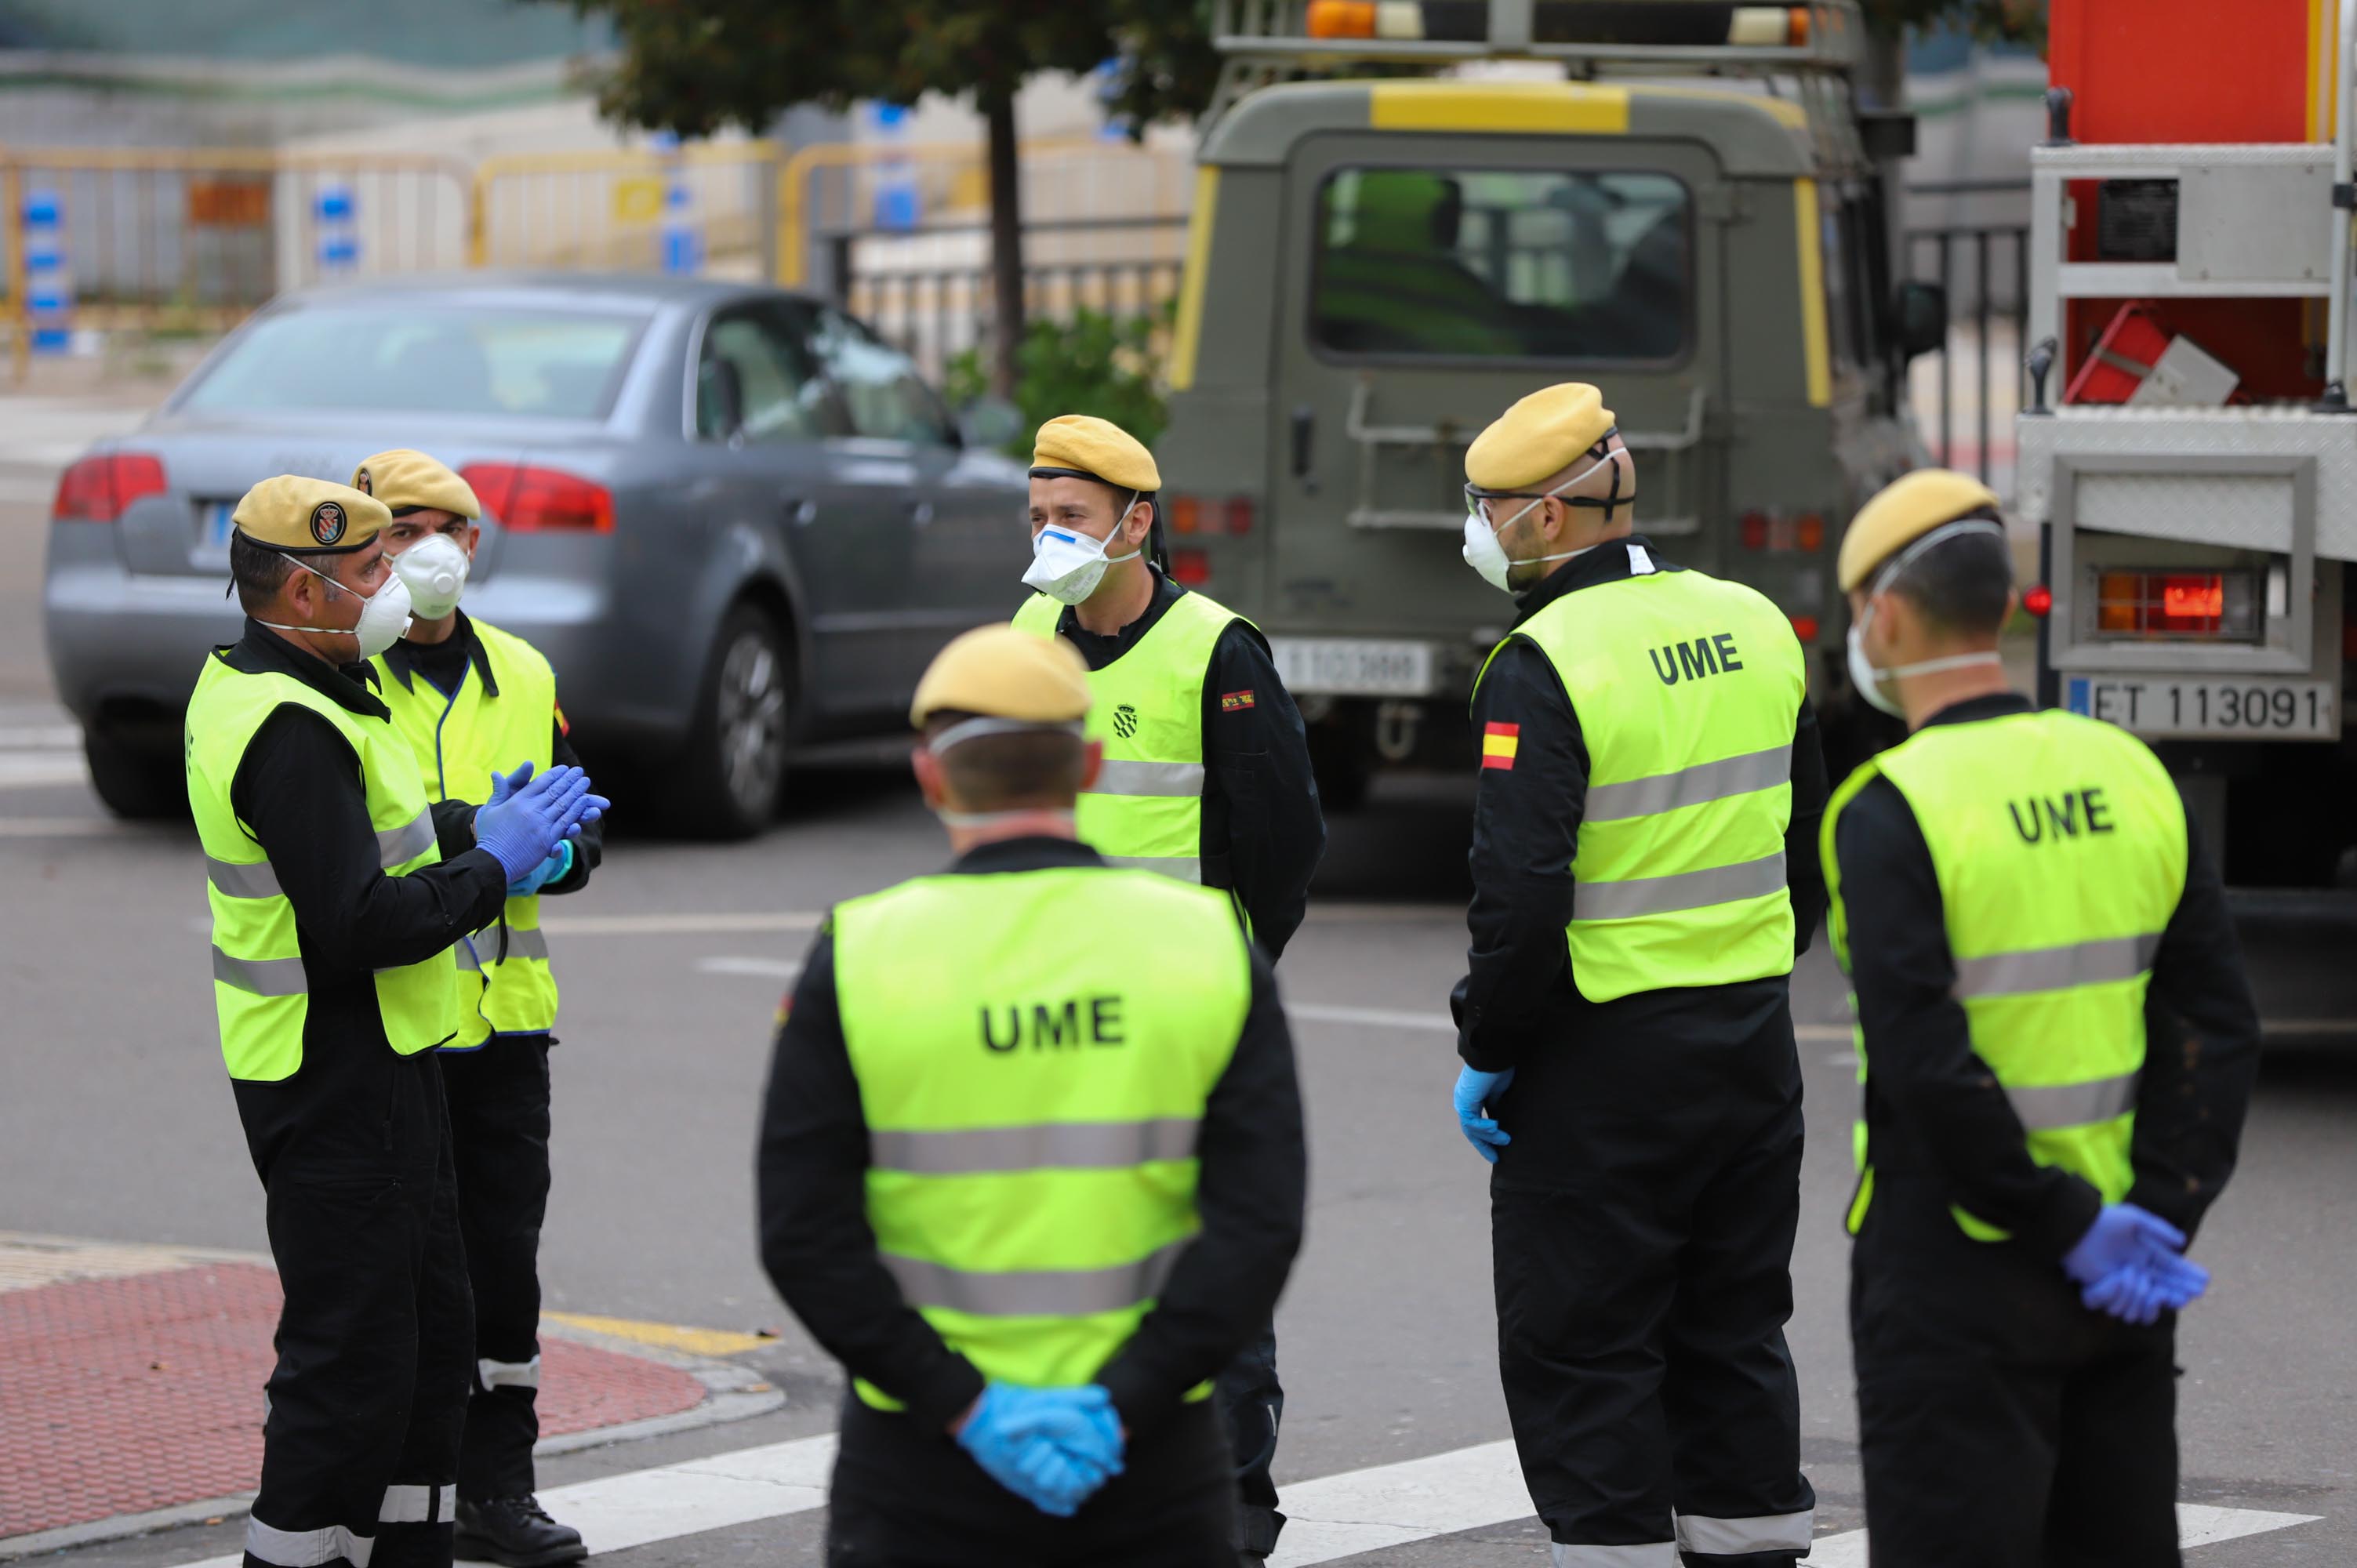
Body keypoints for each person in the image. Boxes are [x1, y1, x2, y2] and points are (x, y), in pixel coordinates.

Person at [756, 625, 1306, 1568]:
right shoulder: (1209, 946)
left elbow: (804, 1234)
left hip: (923, 1466)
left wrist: (963, 1401)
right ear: (1089, 763)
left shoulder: (859, 954)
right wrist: (1127, 1397)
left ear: (929, 775)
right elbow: (1256, 1227)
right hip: (1150, 1459)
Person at [1822, 470, 2261, 1566]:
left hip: (1957, 1271)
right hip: (2123, 1270)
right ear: (2009, 608)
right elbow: (2216, 1025)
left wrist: (2052, 1217)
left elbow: (1926, 1065)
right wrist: (2153, 1215)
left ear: (1882, 616)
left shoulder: (1888, 809)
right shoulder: (2128, 772)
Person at [185, 476, 603, 1568]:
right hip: (329, 1079)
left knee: (427, 1345)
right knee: (350, 1363)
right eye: (370, 569)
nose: (391, 587)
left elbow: (388, 832)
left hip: (392, 1065)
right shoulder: (287, 725)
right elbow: (364, 918)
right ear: (307, 591)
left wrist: (484, 822)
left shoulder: (324, 686)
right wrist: (494, 861)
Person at [1447, 383, 1825, 1566]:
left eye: (1486, 506)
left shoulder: (1541, 660)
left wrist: (1488, 1049)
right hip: (1752, 1048)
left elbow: (1519, 900)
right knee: (1733, 1330)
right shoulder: (1755, 621)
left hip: (1601, 1065)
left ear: (1548, 521)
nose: (1475, 525)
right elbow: (1802, 852)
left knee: (1586, 1349)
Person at [1010, 413, 1324, 1563]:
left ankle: (1234, 1505)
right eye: (1038, 518)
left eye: (1072, 519)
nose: (1050, 539)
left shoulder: (1215, 649)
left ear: (1137, 523)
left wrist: (1226, 967)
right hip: (1051, 1018)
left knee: (1207, 1267)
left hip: (1181, 1021)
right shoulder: (1029, 630)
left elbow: (1283, 840)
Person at [358, 450, 601, 1566]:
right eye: (401, 527)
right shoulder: (345, 679)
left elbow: (582, 822)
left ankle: (498, 1489)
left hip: (504, 1027)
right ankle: (400, 1488)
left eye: (446, 526)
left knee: (504, 1271)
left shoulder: (526, 673)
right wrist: (481, 837)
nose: (428, 547)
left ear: (476, 544)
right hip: (393, 1024)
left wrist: (552, 857)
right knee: (404, 1273)